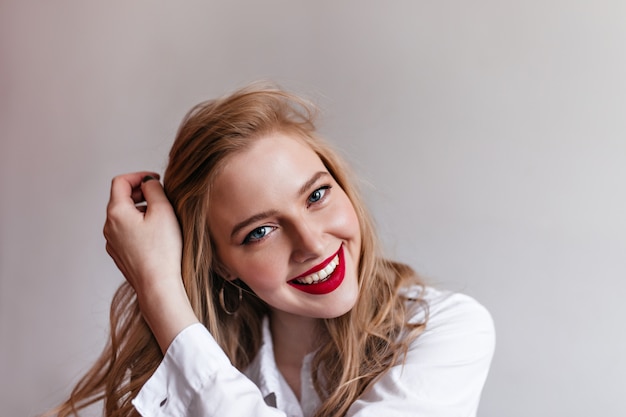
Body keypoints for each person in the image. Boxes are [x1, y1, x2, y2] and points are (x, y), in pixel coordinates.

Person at [49, 82, 495, 417]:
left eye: (317, 196)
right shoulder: (185, 375)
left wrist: (159, 290)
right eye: (260, 232)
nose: (313, 243)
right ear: (222, 266)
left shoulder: (446, 330)